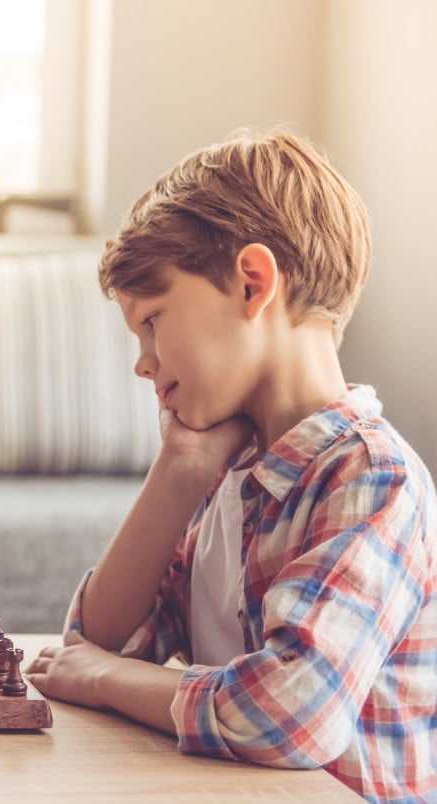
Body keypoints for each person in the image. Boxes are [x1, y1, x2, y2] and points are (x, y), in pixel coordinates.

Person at [26, 132, 437, 801]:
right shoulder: (233, 474)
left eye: (153, 322)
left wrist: (103, 679)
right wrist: (179, 473)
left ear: (253, 283)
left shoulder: (371, 481)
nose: (143, 361)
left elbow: (289, 716)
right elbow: (98, 643)